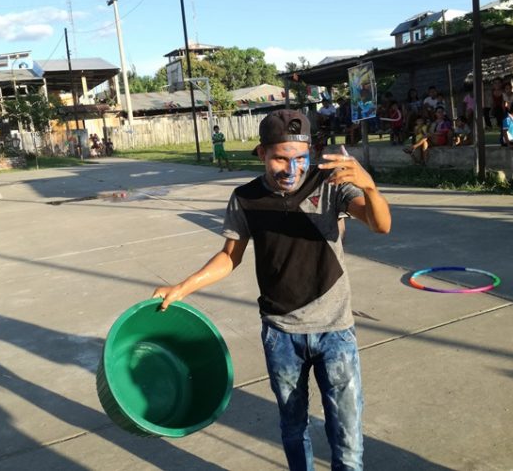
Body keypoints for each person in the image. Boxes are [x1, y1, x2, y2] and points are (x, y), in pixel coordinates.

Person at [152, 109, 391, 470]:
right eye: (280, 158)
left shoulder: (330, 184)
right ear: (262, 153)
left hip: (335, 331)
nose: (292, 169)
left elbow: (380, 224)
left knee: (347, 434)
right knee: (293, 427)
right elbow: (229, 256)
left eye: (300, 158)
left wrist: (370, 187)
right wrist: (182, 288)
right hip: (281, 334)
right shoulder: (245, 198)